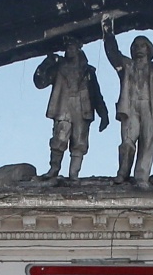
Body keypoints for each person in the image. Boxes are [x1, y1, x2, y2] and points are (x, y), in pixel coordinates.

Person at [101, 19, 153, 186]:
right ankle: (123, 172)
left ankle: (141, 176)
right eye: (135, 46)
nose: (139, 49)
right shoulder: (126, 65)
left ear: (149, 50)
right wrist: (108, 32)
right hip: (130, 106)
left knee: (148, 142)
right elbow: (113, 53)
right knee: (127, 140)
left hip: (150, 107)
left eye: (142, 45)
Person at [33, 39, 108, 181]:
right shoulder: (58, 68)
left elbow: (96, 94)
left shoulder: (88, 71)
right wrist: (47, 62)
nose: (69, 50)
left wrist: (103, 114)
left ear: (78, 49)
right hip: (63, 106)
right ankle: (54, 169)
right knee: (59, 139)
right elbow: (40, 82)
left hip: (82, 107)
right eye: (67, 47)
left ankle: (74, 174)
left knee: (79, 142)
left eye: (72, 47)